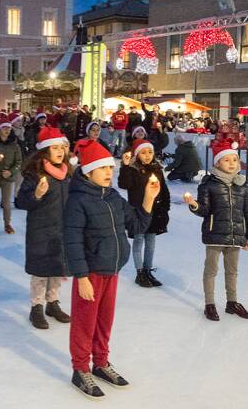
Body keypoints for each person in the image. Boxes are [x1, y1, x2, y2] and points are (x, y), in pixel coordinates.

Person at [64, 139, 156, 399]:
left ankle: (101, 362)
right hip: (90, 273)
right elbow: (72, 242)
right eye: (102, 168)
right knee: (85, 323)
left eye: (110, 168)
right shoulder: (77, 201)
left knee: (104, 321)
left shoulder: (113, 197)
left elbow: (137, 225)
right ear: (88, 171)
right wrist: (81, 277)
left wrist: (148, 198)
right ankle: (80, 368)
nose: (108, 172)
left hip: (112, 270)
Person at [184, 140, 248, 321]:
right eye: (226, 160)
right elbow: (204, 210)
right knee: (211, 270)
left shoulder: (242, 185)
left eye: (235, 159)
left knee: (232, 271)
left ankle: (232, 303)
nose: (232, 163)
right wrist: (193, 205)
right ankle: (210, 304)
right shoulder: (209, 184)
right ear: (217, 163)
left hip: (236, 235)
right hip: (215, 234)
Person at [15, 126, 72, 330]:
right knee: (40, 271)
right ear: (45, 151)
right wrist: (37, 195)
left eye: (61, 147)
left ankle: (53, 303)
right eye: (54, 147)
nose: (59, 151)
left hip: (62, 230)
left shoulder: (67, 173)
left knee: (58, 268)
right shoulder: (35, 174)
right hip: (40, 230)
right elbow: (20, 201)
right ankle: (36, 307)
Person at [119, 139, 171, 288]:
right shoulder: (133, 169)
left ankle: (148, 270)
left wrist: (165, 207)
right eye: (143, 152)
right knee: (139, 240)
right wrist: (126, 167)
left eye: (150, 152)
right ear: (137, 154)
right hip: (139, 211)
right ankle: (139, 271)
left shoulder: (156, 168)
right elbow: (124, 184)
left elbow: (164, 189)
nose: (147, 155)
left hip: (155, 210)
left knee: (151, 242)